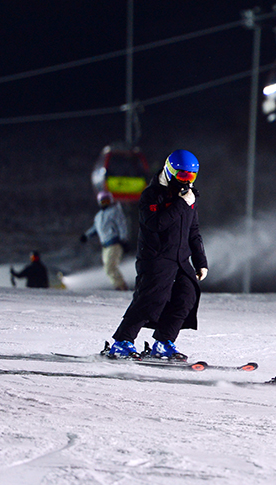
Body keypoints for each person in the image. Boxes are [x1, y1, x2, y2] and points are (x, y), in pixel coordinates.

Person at [106, 150, 208, 360]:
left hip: (180, 258)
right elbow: (155, 224)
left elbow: (193, 231)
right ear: (170, 171)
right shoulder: (152, 194)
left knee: (186, 297)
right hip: (156, 257)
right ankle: (122, 342)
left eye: (191, 177)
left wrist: (200, 261)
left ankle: (163, 342)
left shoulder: (189, 197)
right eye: (182, 176)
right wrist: (181, 204)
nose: (186, 181)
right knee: (151, 299)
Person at [80, 190, 130, 290]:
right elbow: (96, 228)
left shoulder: (115, 211)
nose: (105, 203)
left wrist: (123, 239)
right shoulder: (99, 216)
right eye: (103, 201)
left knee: (110, 266)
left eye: (107, 201)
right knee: (108, 268)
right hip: (105, 245)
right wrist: (86, 236)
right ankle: (119, 285)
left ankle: (121, 286)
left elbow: (122, 225)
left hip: (114, 242)